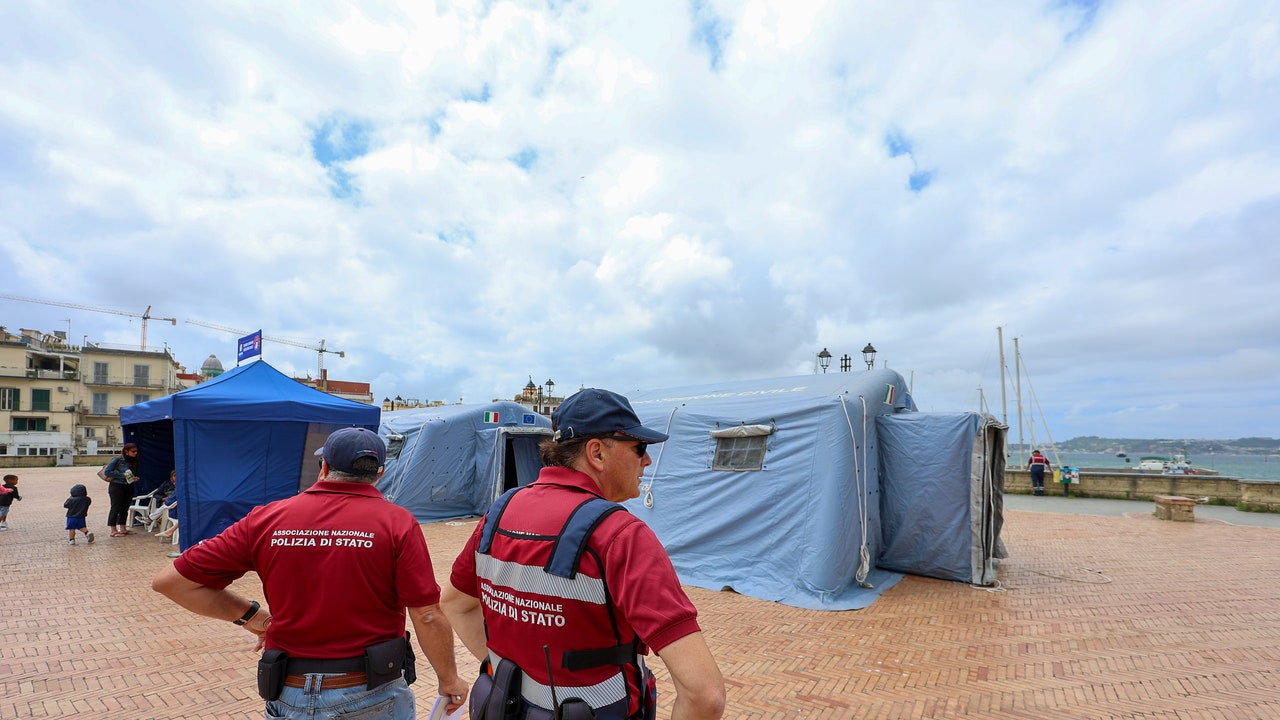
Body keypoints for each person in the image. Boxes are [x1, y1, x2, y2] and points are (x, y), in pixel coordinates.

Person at [440, 388, 726, 720]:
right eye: (639, 447)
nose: (646, 460)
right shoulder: (622, 536)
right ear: (597, 453)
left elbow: (455, 604)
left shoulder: (500, 512)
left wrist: (510, 676)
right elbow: (705, 694)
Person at [152, 427, 467, 719]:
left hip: (289, 690)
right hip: (371, 692)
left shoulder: (266, 519)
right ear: (379, 474)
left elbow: (172, 583)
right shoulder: (397, 523)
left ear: (325, 467)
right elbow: (426, 614)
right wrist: (449, 679)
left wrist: (254, 618)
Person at [101, 443, 141, 536]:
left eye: (136, 451)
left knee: (125, 507)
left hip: (129, 485)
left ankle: (123, 528)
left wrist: (134, 478)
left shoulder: (134, 461)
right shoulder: (118, 459)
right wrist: (124, 476)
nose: (135, 453)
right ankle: (113, 530)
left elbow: (133, 473)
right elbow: (108, 472)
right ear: (126, 451)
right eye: (133, 451)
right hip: (117, 485)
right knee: (116, 507)